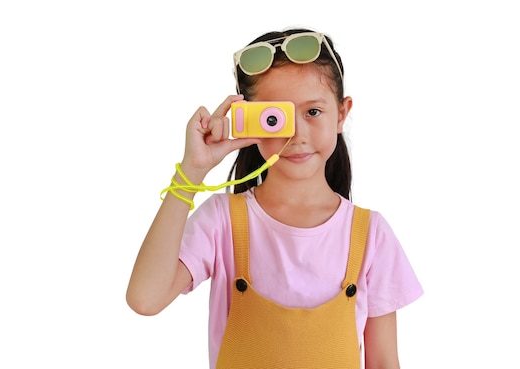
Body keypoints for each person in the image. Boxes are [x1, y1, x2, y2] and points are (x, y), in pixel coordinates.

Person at [126, 27, 423, 369]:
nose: (296, 135)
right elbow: (145, 299)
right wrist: (191, 172)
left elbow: (384, 362)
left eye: (313, 112)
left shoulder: (371, 234)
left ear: (341, 114)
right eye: (274, 118)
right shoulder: (223, 221)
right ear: (248, 121)